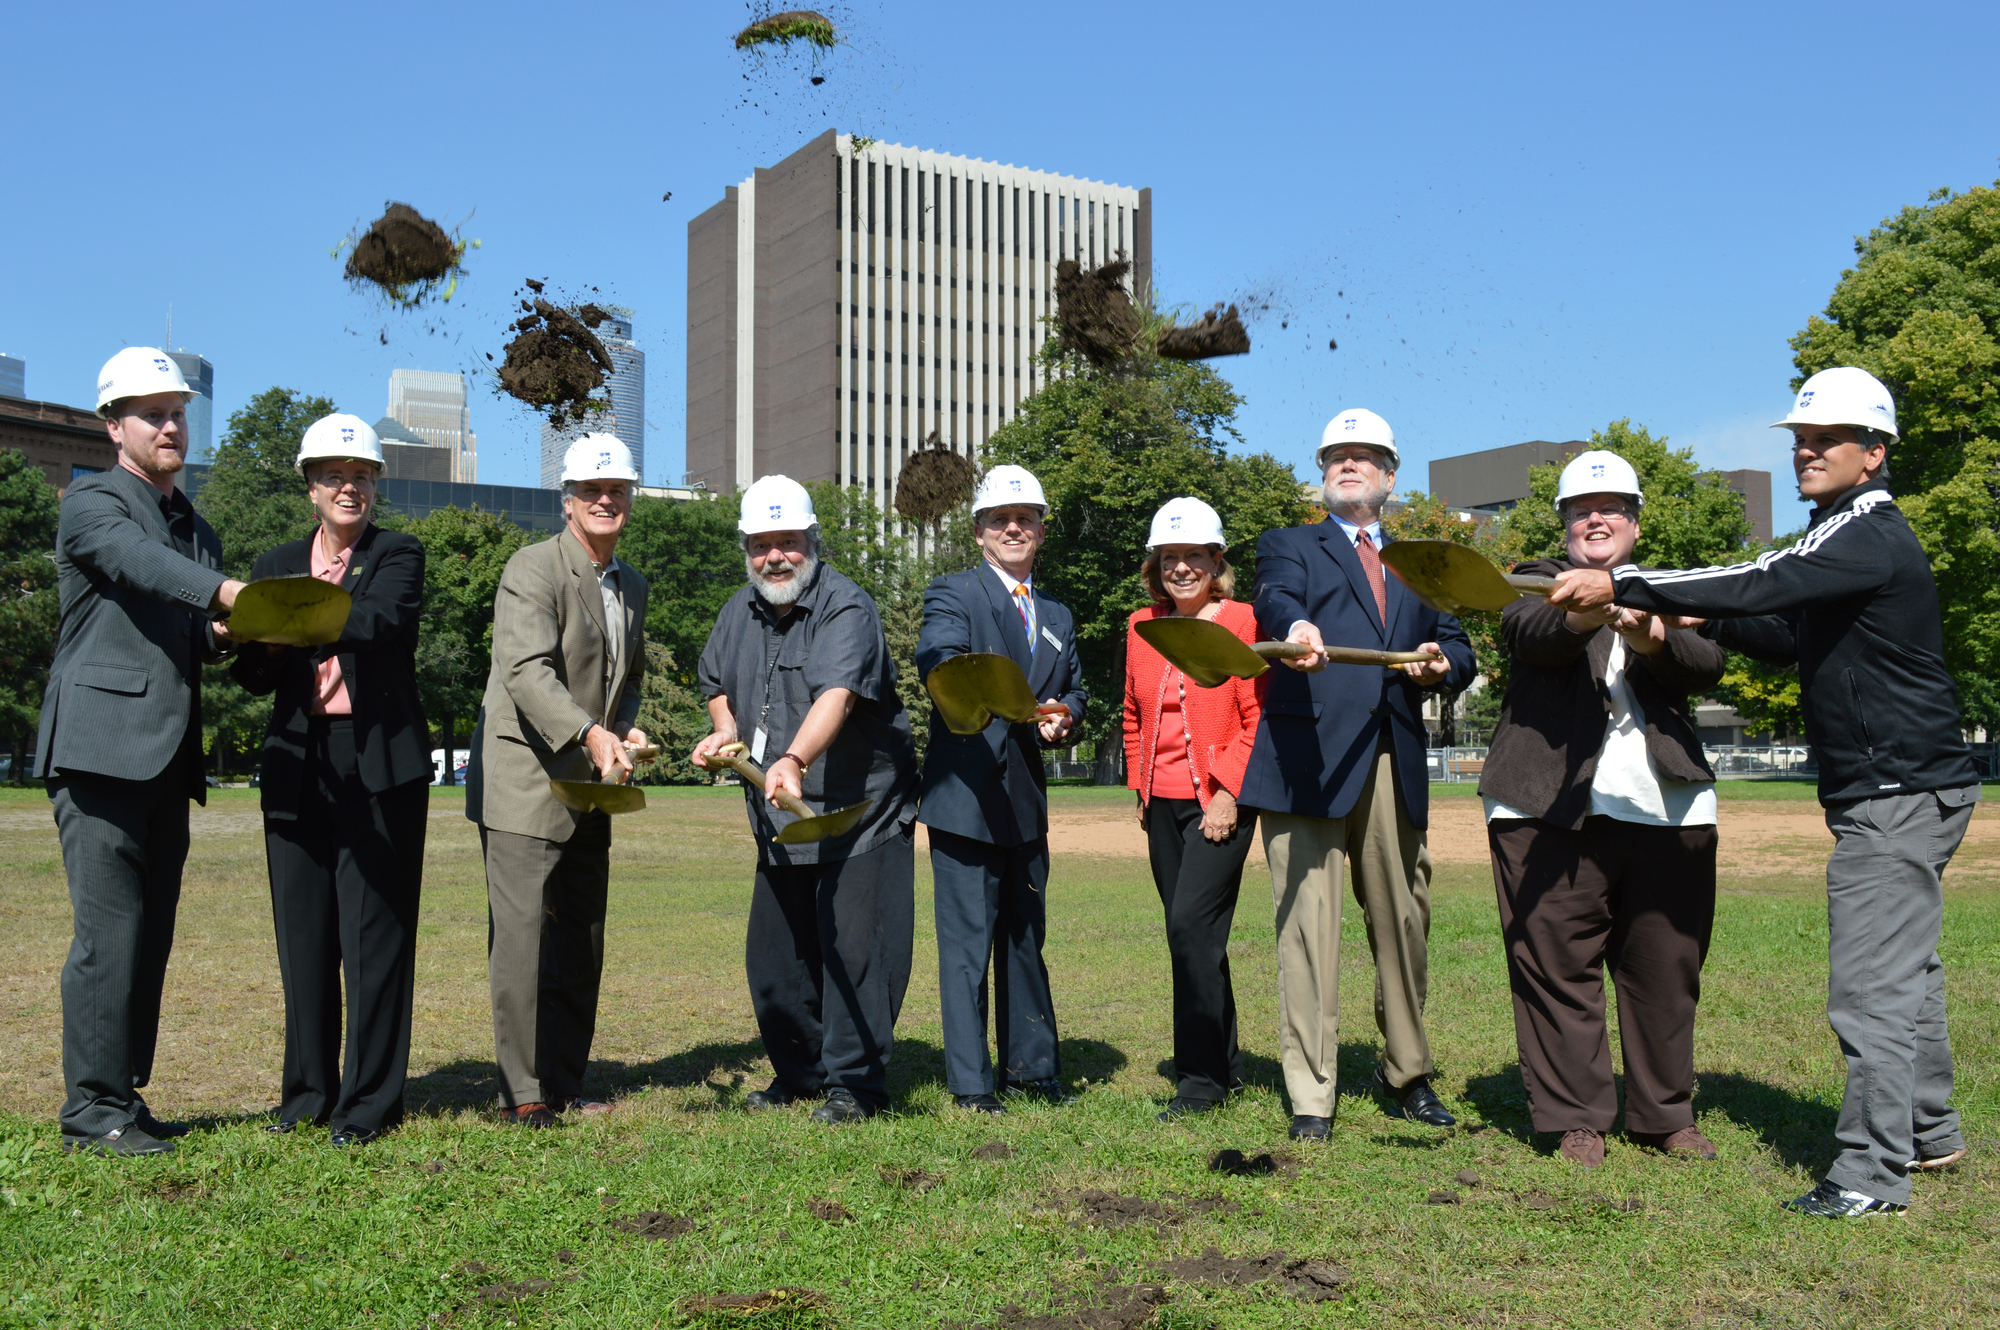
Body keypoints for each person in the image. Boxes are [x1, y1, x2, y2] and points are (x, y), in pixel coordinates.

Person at [1550, 367, 1982, 1218]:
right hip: (1906, 785)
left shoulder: (1863, 529)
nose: (1806, 450)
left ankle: (1868, 1176)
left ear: (1876, 451)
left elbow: (1761, 579)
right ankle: (1933, 1134)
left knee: (1871, 990)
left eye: (1826, 439)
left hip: (1896, 789)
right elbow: (1784, 632)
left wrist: (1635, 586)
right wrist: (1700, 616)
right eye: (1799, 439)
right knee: (1912, 975)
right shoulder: (1843, 534)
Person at [1479, 450, 1724, 1168]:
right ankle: (1575, 1117)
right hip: (1541, 806)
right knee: (1556, 965)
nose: (1596, 517)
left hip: (1668, 808)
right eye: (1581, 509)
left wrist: (1648, 629)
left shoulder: (1668, 589)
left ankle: (1664, 1114)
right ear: (1563, 527)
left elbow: (1704, 664)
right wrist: (1590, 609)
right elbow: (1532, 637)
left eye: (1613, 507)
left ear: (1635, 525)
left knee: (1665, 968)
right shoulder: (1531, 583)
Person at [1239, 408, 1475, 1141]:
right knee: (1308, 929)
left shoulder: (1419, 562)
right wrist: (1297, 630)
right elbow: (1277, 599)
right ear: (1323, 470)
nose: (1350, 464)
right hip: (1305, 761)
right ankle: (1313, 1095)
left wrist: (1444, 664)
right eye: (1337, 455)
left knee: (1405, 922)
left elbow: (1457, 642)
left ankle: (1407, 1071)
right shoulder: (1289, 546)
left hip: (1391, 760)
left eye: (1365, 456)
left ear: (1389, 474)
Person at [35, 349, 246, 1155]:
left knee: (149, 935)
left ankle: (123, 1094)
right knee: (108, 935)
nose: (169, 425)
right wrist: (224, 591)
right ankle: (91, 1112)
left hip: (165, 754)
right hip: (96, 750)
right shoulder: (90, 504)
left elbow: (190, 625)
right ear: (112, 425)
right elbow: (139, 564)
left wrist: (225, 632)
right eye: (151, 412)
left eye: (178, 412)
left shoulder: (198, 528)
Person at [691, 476, 921, 1124]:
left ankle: (856, 1088)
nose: (775, 557)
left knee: (856, 951)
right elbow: (716, 680)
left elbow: (837, 695)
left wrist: (792, 758)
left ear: (812, 541)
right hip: (782, 817)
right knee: (774, 961)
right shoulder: (738, 611)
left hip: (859, 811)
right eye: (762, 545)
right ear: (747, 550)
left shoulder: (847, 606)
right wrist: (725, 729)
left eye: (787, 541)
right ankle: (800, 1075)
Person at [230, 415, 429, 1147]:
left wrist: (280, 615)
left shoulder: (398, 553)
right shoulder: (278, 559)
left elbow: (376, 624)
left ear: (375, 486)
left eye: (363, 475)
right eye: (335, 475)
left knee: (375, 933)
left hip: (376, 760)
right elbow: (257, 674)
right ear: (310, 486)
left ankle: (370, 1103)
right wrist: (239, 636)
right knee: (304, 934)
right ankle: (307, 1095)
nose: (351, 486)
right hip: (295, 757)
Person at [466, 435, 649, 1128]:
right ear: (567, 502)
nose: (607, 500)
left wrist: (622, 728)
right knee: (521, 940)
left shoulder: (632, 584)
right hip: (524, 779)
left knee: (580, 937)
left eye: (619, 491)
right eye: (593, 491)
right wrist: (591, 732)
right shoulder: (531, 568)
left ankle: (567, 1078)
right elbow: (526, 671)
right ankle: (525, 1091)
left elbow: (624, 682)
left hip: (591, 783)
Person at [915, 464, 1085, 1114]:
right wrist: (1013, 702)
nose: (1013, 528)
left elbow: (1073, 688)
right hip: (964, 800)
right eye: (1000, 519)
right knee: (965, 950)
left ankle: (1032, 1071)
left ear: (1041, 530)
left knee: (1023, 939)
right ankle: (972, 1085)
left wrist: (1067, 713)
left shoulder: (1059, 614)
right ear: (980, 532)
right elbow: (941, 661)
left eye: (1026, 519)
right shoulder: (953, 593)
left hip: (1026, 807)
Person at [1121, 498, 1265, 1122]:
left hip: (1221, 801)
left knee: (1189, 929)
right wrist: (1140, 789)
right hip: (1162, 804)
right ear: (1157, 565)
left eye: (1194, 556)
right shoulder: (1139, 626)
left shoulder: (1243, 621)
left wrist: (1229, 791)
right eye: (1169, 557)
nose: (1181, 568)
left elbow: (1257, 719)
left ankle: (1199, 1081)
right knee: (1198, 938)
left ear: (1216, 561)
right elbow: (1133, 716)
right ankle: (1227, 1062)